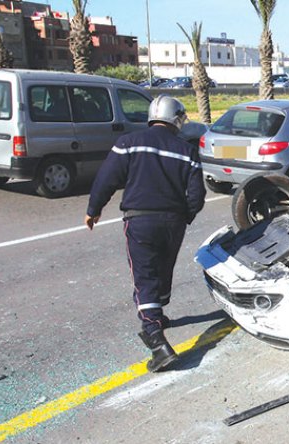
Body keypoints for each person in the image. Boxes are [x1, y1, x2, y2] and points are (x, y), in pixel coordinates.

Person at [85, 95, 205, 372]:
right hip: (173, 222)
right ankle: (157, 314)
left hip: (140, 221)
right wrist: (184, 216)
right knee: (163, 269)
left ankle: (155, 337)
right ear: (177, 120)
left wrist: (94, 208)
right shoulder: (186, 150)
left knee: (145, 274)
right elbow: (197, 196)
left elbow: (107, 178)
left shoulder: (128, 143)